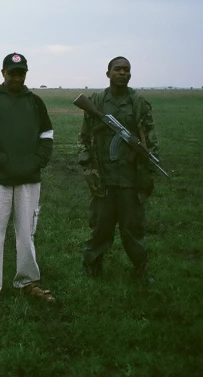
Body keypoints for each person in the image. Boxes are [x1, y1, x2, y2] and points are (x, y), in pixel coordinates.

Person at [0, 52, 56, 305]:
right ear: (3, 73)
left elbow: (47, 135)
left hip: (29, 180)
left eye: (21, 73)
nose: (17, 77)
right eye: (12, 73)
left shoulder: (35, 102)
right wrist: (1, 161)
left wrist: (37, 161)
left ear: (26, 75)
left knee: (26, 232)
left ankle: (28, 282)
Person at [78, 56, 159, 283]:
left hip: (130, 178)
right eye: (117, 69)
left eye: (126, 70)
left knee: (133, 229)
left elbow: (150, 140)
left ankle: (141, 270)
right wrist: (88, 168)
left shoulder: (139, 103)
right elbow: (84, 138)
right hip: (102, 177)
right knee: (100, 228)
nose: (122, 73)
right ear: (108, 74)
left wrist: (148, 166)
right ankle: (91, 267)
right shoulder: (96, 101)